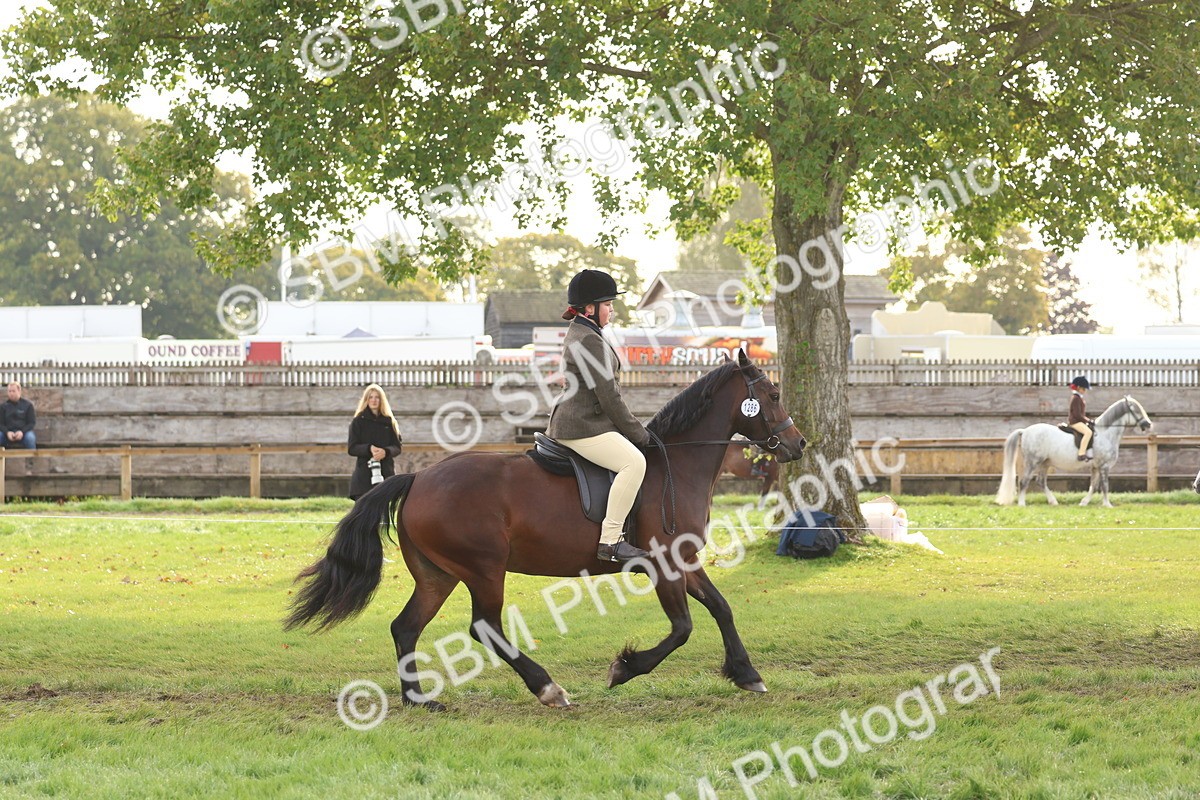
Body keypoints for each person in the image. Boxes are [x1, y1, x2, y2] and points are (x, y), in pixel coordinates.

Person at [546, 269, 652, 563]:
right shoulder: (588, 339)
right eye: (608, 304)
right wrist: (638, 433)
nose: (612, 310)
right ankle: (612, 541)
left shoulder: (587, 333)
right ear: (590, 308)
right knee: (634, 461)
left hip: (587, 422)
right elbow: (609, 396)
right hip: (581, 426)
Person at [348, 383, 402, 500]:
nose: (374, 400)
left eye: (377, 397)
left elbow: (397, 447)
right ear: (366, 400)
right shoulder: (358, 422)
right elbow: (352, 448)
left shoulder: (389, 422)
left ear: (381, 400)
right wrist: (369, 449)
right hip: (364, 476)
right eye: (371, 397)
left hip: (386, 472)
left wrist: (386, 452)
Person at [1, 382, 37, 450]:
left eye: (13, 391)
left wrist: (22, 432)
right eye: (9, 391)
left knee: (30, 438)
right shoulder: (3, 407)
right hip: (7, 433)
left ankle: (32, 460)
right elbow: (1, 424)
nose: (11, 393)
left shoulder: (28, 405)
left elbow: (31, 423)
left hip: (24, 433)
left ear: (19, 391)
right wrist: (7, 432)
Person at [1067, 376, 1094, 461]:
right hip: (1075, 422)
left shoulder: (1079, 398)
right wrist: (1088, 420)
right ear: (1078, 388)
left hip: (1079, 421)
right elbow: (1078, 414)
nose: (1085, 391)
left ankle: (1089, 452)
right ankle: (1081, 453)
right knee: (1088, 432)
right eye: (1084, 389)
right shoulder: (1076, 398)